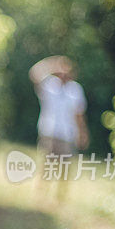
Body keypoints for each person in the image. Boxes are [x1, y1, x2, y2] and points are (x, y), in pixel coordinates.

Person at [29, 55, 89, 200]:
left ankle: (60, 198)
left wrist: (83, 133)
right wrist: (52, 65)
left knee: (65, 169)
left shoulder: (75, 90)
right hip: (49, 133)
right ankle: (41, 195)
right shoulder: (49, 85)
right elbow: (34, 73)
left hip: (67, 136)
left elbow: (79, 115)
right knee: (46, 167)